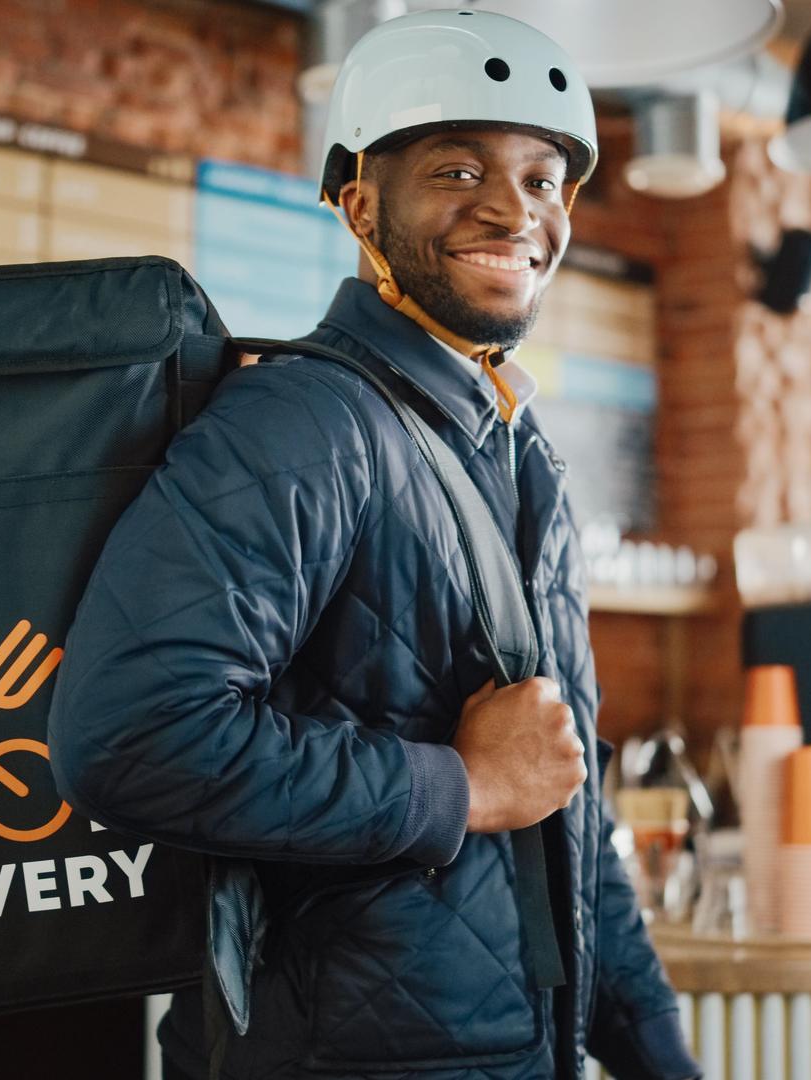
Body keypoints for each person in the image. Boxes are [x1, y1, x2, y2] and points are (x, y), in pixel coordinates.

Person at [49, 10, 698, 1079]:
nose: (512, 208)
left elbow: (562, 808)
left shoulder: (521, 454)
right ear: (359, 203)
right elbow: (127, 737)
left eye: (543, 179)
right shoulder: (304, 423)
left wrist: (659, 1058)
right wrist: (462, 788)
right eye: (457, 168)